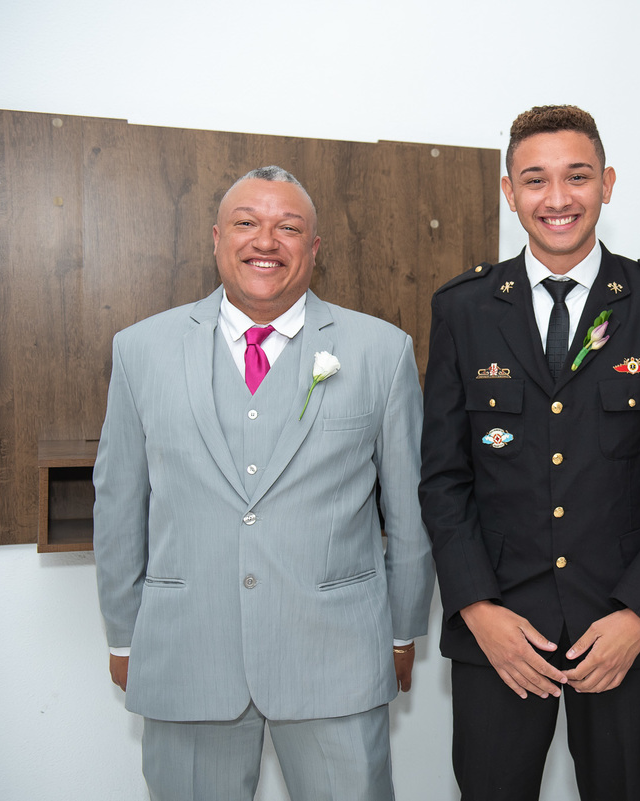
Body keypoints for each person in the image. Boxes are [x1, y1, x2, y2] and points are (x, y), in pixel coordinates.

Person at [93, 166, 434, 801]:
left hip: (339, 655)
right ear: (218, 238)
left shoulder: (381, 351)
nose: (266, 241)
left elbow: (411, 508)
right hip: (185, 650)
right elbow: (118, 502)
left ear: (314, 248)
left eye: (289, 226)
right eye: (248, 223)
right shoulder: (140, 350)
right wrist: (122, 631)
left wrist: (401, 630)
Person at [419, 105, 640, 800]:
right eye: (535, 180)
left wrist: (639, 613)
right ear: (508, 191)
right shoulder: (463, 308)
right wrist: (477, 609)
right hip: (500, 630)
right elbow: (442, 478)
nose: (557, 199)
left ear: (606, 184)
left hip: (621, 630)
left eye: (576, 177)